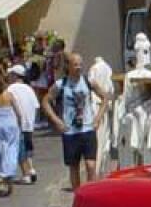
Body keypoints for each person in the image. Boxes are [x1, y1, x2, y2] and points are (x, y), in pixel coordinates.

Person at [43, 51, 109, 192]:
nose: (79, 67)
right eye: (75, 65)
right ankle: (78, 197)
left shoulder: (88, 81)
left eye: (80, 64)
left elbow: (105, 98)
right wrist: (57, 121)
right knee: (74, 168)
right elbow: (45, 101)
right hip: (70, 131)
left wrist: (97, 118)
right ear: (69, 66)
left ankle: (91, 196)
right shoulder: (61, 84)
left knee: (91, 166)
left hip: (87, 129)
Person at [6, 64, 40, 184]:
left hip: (17, 123)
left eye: (10, 74)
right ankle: (31, 169)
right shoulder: (29, 89)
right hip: (29, 124)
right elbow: (36, 106)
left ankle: (26, 174)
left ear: (15, 75)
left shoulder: (10, 89)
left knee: (20, 150)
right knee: (27, 148)